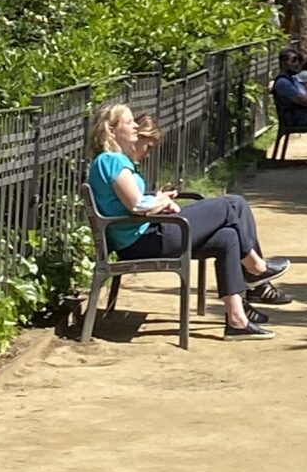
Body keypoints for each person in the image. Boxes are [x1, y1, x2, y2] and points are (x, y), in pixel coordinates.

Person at [86, 101, 288, 339]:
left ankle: (237, 320)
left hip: (144, 236)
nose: (135, 127)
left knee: (227, 237)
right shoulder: (112, 161)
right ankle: (256, 269)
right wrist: (160, 202)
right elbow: (138, 206)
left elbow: (134, 202)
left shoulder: (112, 161)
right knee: (229, 204)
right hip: (145, 240)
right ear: (111, 130)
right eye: (128, 122)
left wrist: (159, 199)